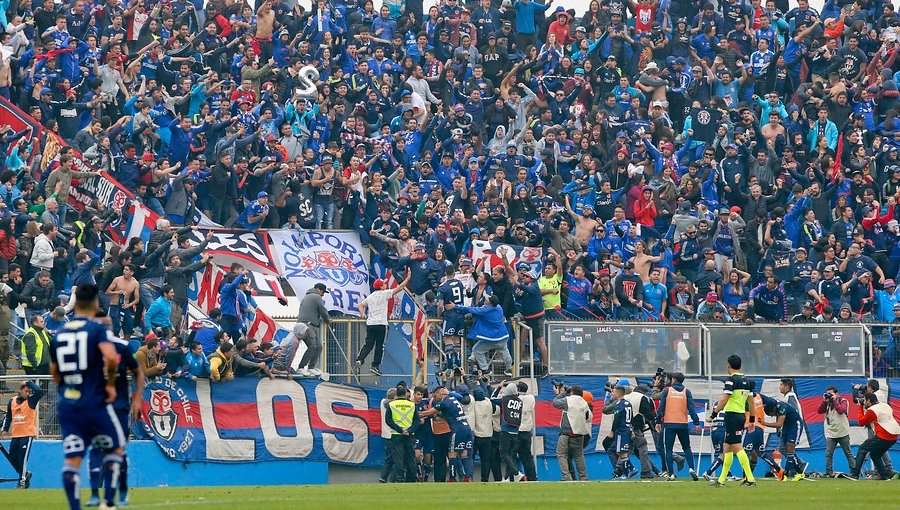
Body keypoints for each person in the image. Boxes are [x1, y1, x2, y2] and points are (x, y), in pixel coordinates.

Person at [49, 284, 124, 510]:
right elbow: (111, 358)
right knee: (115, 448)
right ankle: (109, 503)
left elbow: (54, 370)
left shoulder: (59, 332)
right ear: (94, 303)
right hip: (94, 400)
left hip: (68, 404)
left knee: (72, 460)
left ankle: (75, 507)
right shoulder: (96, 329)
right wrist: (110, 385)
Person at [86, 312, 144, 507]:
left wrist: (137, 400)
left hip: (119, 407)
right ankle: (95, 493)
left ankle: (121, 490)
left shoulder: (122, 347)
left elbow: (138, 372)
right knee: (96, 449)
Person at [707, 354, 756, 486]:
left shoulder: (731, 381)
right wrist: (751, 420)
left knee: (737, 447)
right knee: (727, 448)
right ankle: (721, 480)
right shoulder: (748, 381)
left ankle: (750, 479)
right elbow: (751, 403)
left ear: (728, 366)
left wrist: (712, 415)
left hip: (732, 416)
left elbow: (724, 400)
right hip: (740, 416)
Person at [355, 274, 409, 376]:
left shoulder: (370, 297)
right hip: (381, 324)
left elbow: (360, 305)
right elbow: (400, 287)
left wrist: (363, 314)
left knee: (368, 344)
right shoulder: (385, 294)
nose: (385, 284)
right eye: (384, 283)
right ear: (381, 286)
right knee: (380, 346)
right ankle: (375, 366)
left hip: (370, 323)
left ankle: (360, 359)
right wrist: (409, 278)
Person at [420, 386, 475, 483]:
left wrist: (416, 414)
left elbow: (428, 413)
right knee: (464, 454)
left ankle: (452, 478)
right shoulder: (454, 399)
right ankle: (468, 477)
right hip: (467, 428)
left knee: (452, 454)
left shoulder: (444, 402)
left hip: (457, 430)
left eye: (435, 396)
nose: (434, 398)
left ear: (440, 394)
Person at [447, 295, 511, 376]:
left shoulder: (485, 310)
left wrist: (455, 306)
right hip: (503, 336)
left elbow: (470, 309)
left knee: (476, 350)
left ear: (489, 303)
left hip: (491, 339)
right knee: (505, 351)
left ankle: (485, 370)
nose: (485, 299)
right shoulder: (499, 307)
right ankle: (509, 369)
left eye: (487, 299)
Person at [655, 372, 701, 481]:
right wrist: (696, 422)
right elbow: (692, 409)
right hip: (683, 424)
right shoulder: (686, 392)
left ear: (674, 379)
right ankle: (691, 468)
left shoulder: (667, 391)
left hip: (669, 424)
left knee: (669, 449)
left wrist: (657, 421)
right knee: (687, 447)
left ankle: (671, 473)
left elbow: (661, 408)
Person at [1, 381, 43, 488]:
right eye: (26, 391)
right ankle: (26, 474)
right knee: (12, 457)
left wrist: (28, 382)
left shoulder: (31, 401)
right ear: (20, 391)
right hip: (16, 435)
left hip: (27, 434)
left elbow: (39, 391)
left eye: (29, 391)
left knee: (22, 458)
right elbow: (9, 416)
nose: (28, 393)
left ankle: (22, 481)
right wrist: (4, 429)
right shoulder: (12, 401)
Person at [850, 393, 900, 481]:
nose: (863, 402)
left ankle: (855, 475)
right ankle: (885, 476)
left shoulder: (872, 410)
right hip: (894, 436)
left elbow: (861, 422)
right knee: (875, 454)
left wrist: (860, 407)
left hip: (884, 434)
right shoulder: (885, 405)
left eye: (864, 400)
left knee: (862, 448)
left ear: (869, 401)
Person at [760, 392, 808, 481]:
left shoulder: (782, 408)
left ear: (773, 409)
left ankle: (786, 472)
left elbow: (779, 424)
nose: (773, 416)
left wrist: (764, 423)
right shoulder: (773, 404)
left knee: (790, 448)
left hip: (795, 426)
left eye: (772, 414)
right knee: (782, 448)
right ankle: (800, 466)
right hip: (787, 426)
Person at [553, 382, 592, 481]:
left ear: (572, 392)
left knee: (561, 454)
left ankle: (566, 476)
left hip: (567, 432)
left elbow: (555, 403)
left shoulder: (568, 400)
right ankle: (583, 476)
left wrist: (563, 393)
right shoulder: (584, 403)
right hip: (580, 433)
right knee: (579, 455)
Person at [817, 386, 855, 477]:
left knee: (848, 453)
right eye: (828, 394)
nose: (829, 396)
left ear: (837, 394)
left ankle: (854, 472)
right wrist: (824, 401)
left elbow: (841, 410)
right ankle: (828, 472)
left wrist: (834, 400)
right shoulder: (827, 403)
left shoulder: (843, 400)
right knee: (828, 454)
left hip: (842, 432)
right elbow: (819, 411)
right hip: (831, 432)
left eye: (831, 394)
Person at [384, 385, 419, 483]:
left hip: (396, 434)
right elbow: (417, 421)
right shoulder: (412, 405)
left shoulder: (391, 405)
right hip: (410, 435)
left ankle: (400, 479)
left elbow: (388, 420)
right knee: (411, 457)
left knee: (398, 458)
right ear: (405, 394)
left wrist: (400, 429)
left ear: (396, 394)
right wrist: (410, 430)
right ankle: (412, 479)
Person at [492, 382, 525, 482]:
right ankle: (506, 477)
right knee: (510, 455)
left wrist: (499, 387)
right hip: (516, 431)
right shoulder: (519, 401)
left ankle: (516, 473)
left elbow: (492, 398)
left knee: (503, 453)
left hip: (506, 430)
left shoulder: (504, 400)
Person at [602, 382, 636, 479]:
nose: (611, 393)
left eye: (613, 392)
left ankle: (631, 470)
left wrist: (612, 431)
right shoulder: (628, 404)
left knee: (621, 452)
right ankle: (626, 473)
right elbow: (631, 417)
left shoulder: (618, 405)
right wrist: (632, 429)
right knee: (621, 452)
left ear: (617, 393)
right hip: (627, 429)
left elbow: (616, 419)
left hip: (621, 431)